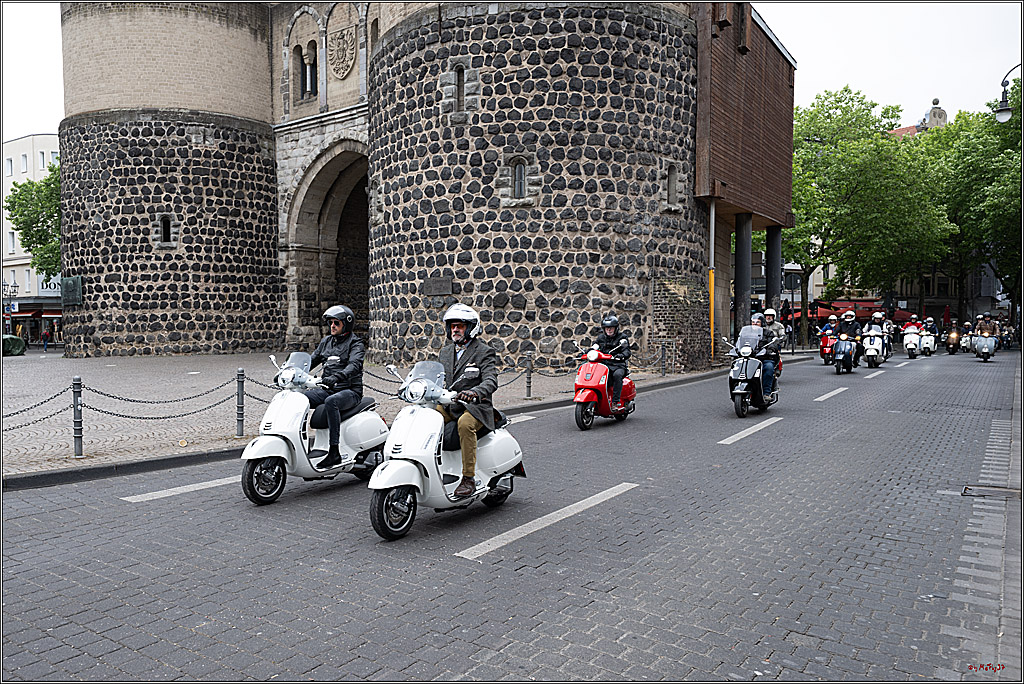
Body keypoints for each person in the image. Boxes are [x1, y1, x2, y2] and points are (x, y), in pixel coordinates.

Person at [437, 303, 499, 498]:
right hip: (451, 403)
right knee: (428, 417)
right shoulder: (445, 352)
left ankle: (468, 478)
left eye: (460, 326)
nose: (455, 329)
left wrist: (475, 392)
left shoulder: (483, 351)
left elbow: (491, 379)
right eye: (453, 326)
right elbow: (437, 377)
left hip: (476, 407)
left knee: (464, 424)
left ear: (470, 328)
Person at [304, 305, 365, 469]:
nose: (332, 326)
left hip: (350, 391)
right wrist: (291, 371)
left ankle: (334, 452)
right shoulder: (326, 342)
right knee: (299, 398)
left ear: (346, 324)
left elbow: (354, 365)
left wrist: (337, 377)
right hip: (327, 388)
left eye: (336, 323)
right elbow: (310, 361)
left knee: (332, 402)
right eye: (330, 323)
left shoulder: (356, 343)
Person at [595, 313, 632, 411]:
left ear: (616, 328)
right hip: (604, 365)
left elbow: (626, 350)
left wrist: (622, 355)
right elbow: (595, 347)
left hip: (618, 365)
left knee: (617, 375)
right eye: (607, 328)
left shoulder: (622, 338)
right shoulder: (601, 338)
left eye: (611, 328)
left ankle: (615, 402)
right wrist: (588, 352)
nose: (609, 330)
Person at [748, 313, 780, 400]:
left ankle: (766, 393)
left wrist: (769, 350)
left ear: (762, 323)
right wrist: (736, 349)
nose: (754, 324)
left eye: (757, 322)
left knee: (769, 367)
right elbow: (740, 342)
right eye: (753, 322)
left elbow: (772, 344)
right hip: (750, 358)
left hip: (764, 358)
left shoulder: (768, 333)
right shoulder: (747, 333)